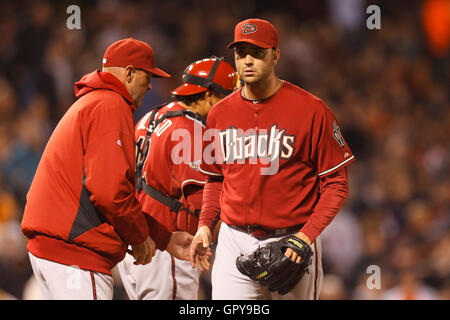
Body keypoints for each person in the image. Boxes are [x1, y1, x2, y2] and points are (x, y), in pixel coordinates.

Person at [190, 18, 355, 300]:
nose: (248, 61)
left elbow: (336, 185)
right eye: (241, 54)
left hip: (292, 240)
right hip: (234, 239)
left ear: (275, 55)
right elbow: (215, 178)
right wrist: (205, 223)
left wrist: (305, 237)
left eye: (258, 53)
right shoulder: (220, 113)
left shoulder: (311, 110)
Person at [21, 38, 193, 300]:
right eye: (147, 76)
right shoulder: (110, 105)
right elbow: (109, 191)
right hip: (75, 255)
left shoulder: (94, 102)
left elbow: (110, 192)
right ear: (129, 72)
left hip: (56, 250)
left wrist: (163, 238)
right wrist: (138, 237)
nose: (150, 85)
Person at [117, 57, 238, 300]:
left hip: (138, 241)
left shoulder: (151, 117)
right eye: (227, 96)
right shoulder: (192, 131)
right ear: (209, 95)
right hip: (169, 246)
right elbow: (201, 203)